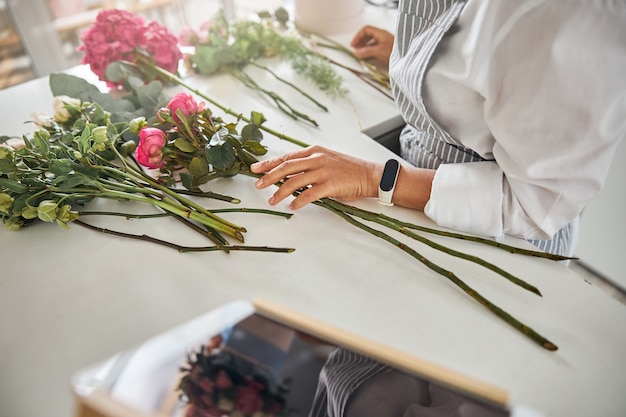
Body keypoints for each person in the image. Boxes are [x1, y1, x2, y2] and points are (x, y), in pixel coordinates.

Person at [251, 0, 626, 257]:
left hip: (500, 233)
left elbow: (533, 205)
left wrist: (372, 178)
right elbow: (503, 59)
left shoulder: (567, 13)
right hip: (421, 192)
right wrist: (429, 65)